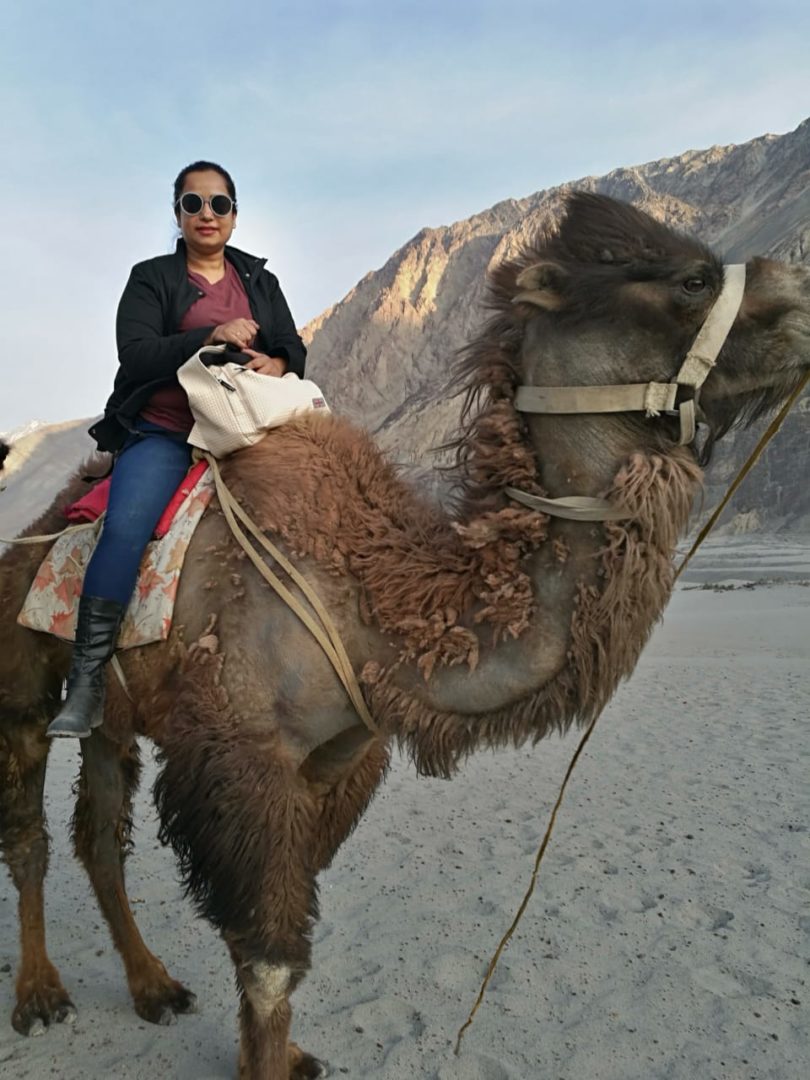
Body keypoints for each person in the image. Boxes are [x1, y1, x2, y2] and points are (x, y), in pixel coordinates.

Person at [47, 161, 307, 738]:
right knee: (126, 527)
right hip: (168, 431)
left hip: (246, 429)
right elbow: (135, 354)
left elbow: (291, 342)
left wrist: (279, 361)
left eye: (218, 204)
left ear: (235, 216)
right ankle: (86, 682)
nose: (206, 215)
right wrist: (208, 337)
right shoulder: (151, 277)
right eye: (193, 204)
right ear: (178, 215)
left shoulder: (260, 281)